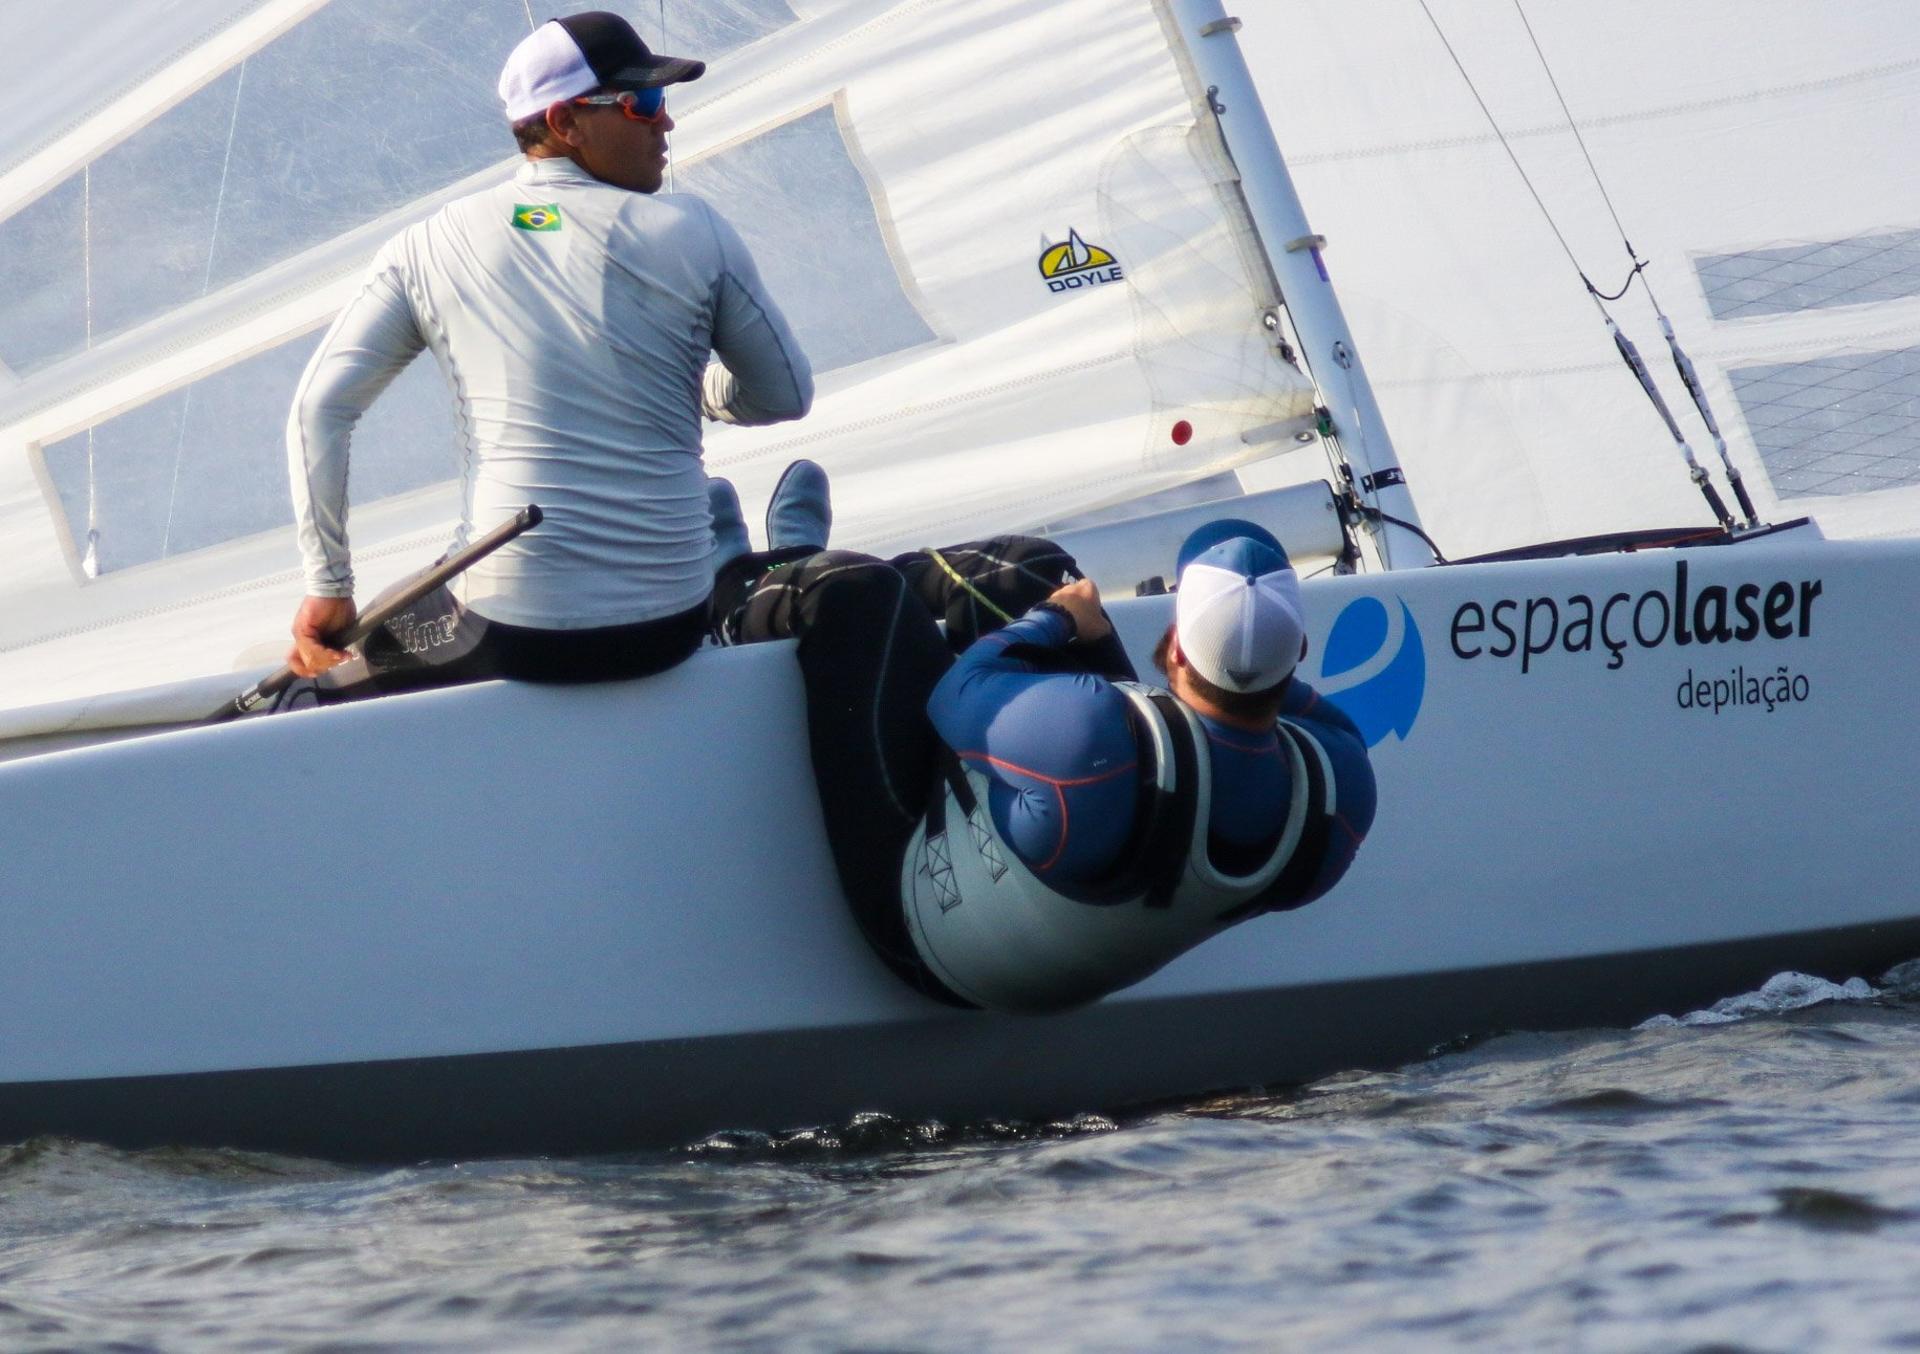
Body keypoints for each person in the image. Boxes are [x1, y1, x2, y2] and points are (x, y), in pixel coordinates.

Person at [277, 12, 812, 707]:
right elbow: (783, 394)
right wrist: (694, 391)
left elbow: (319, 410)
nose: (666, 124)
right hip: (671, 627)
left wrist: (329, 589)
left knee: (311, 679)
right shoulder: (695, 228)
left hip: (514, 628)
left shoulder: (426, 244)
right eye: (642, 103)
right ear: (565, 122)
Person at [710, 467, 1376, 1014]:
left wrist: (1057, 621)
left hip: (916, 924)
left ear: (1173, 643)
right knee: (1033, 568)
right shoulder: (1339, 782)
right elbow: (1257, 699)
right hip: (1063, 901)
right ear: (1301, 652)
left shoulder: (1083, 730)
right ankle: (795, 565)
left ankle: (746, 581)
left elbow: (958, 693)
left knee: (860, 595)